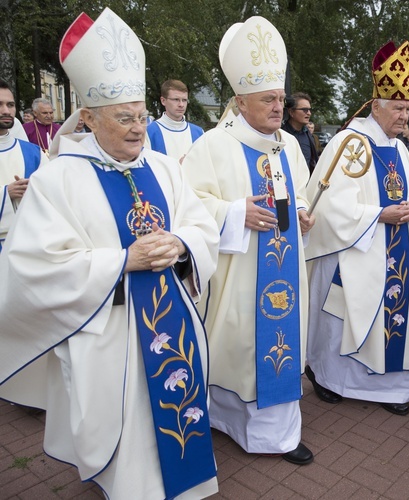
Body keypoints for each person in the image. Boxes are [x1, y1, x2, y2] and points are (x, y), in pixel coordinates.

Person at [0, 8, 220, 499]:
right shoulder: (57, 180)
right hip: (108, 326)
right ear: (90, 119)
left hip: (171, 319)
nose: (139, 128)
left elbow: (201, 224)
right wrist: (124, 261)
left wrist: (182, 243)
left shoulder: (164, 168)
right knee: (125, 421)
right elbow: (33, 267)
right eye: (124, 118)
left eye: (142, 117)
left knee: (172, 407)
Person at [181, 16, 315, 466]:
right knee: (239, 347)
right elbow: (191, 205)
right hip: (239, 273)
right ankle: (225, 419)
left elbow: (300, 192)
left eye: (281, 98)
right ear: (240, 101)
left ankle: (280, 435)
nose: (279, 107)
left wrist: (300, 213)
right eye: (268, 99)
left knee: (279, 344)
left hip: (285, 272)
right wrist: (236, 211)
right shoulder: (213, 146)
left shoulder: (289, 147)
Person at [304, 39, 409, 417]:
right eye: (398, 108)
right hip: (354, 252)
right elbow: (329, 204)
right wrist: (378, 214)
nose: (404, 117)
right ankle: (329, 377)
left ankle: (392, 386)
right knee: (342, 316)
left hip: (396, 254)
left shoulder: (399, 150)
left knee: (393, 320)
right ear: (376, 105)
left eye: (408, 109)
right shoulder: (350, 143)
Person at [0, 79, 46, 251]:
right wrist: (6, 193)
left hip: (28, 245)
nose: (6, 111)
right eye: (0, 104)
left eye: (10, 105)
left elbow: (54, 195)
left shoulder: (33, 153)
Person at [146, 79, 204, 163]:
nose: (181, 105)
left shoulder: (198, 133)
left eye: (184, 100)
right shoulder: (149, 132)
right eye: (176, 99)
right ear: (163, 101)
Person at [282, 91, 319, 173]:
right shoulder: (280, 135)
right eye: (305, 110)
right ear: (291, 112)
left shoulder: (308, 135)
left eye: (309, 110)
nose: (309, 113)